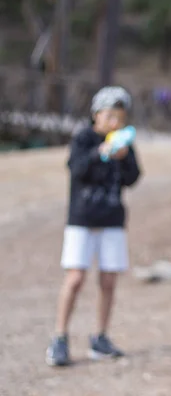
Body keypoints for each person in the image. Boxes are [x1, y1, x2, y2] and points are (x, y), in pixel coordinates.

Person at [46, 86, 142, 367]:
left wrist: (123, 158)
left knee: (109, 281)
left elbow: (133, 178)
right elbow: (76, 169)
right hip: (82, 220)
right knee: (75, 279)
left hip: (112, 220)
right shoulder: (83, 138)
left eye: (120, 116)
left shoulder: (124, 142)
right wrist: (100, 152)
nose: (115, 121)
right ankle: (60, 337)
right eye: (110, 115)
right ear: (96, 114)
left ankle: (100, 337)